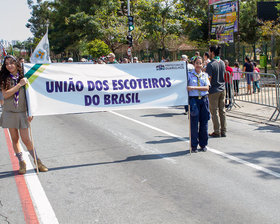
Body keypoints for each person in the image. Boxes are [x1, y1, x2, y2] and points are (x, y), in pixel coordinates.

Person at [0, 55, 48, 174]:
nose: (9, 65)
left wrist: (31, 111)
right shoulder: (4, 78)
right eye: (6, 64)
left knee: (26, 139)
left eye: (11, 63)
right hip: (9, 112)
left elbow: (32, 96)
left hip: (22, 112)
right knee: (15, 139)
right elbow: (5, 95)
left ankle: (37, 161)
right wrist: (19, 85)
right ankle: (22, 162)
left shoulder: (25, 77)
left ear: (17, 63)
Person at [187, 56, 210, 153]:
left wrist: (194, 87)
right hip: (194, 101)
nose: (198, 65)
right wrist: (191, 88)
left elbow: (207, 88)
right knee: (194, 123)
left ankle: (203, 144)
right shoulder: (189, 75)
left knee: (204, 123)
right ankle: (194, 145)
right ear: (194, 64)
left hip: (204, 100)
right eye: (197, 63)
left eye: (200, 63)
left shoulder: (205, 75)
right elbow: (186, 87)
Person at [206, 45, 227, 137]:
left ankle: (217, 130)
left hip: (214, 90)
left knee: (214, 111)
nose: (209, 53)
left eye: (209, 51)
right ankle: (224, 130)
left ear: (212, 52)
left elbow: (209, 78)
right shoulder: (222, 62)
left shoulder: (210, 64)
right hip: (222, 89)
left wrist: (206, 89)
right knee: (222, 110)